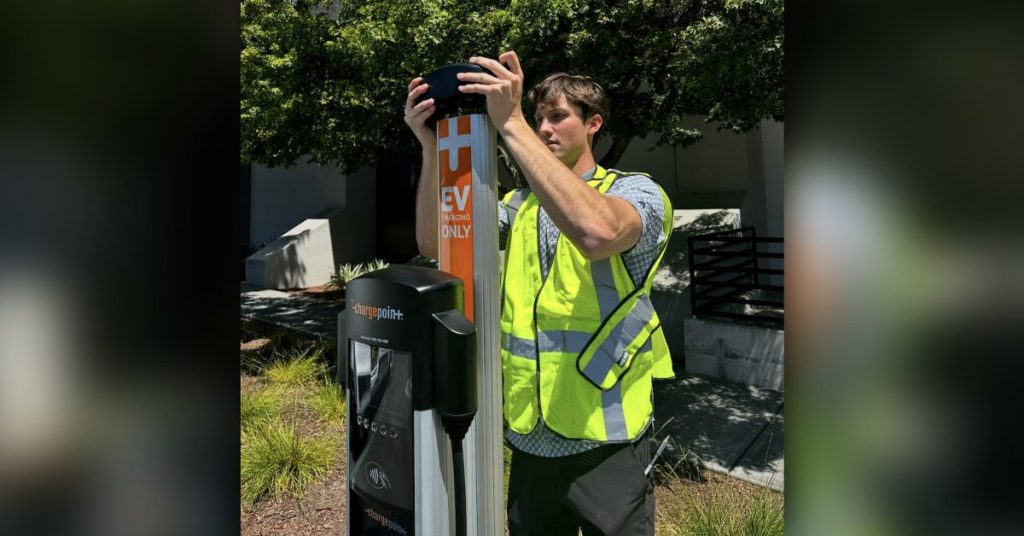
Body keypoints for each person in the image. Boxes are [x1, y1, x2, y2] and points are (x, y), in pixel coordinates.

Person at [404, 51, 674, 536]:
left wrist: (510, 123)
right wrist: (431, 149)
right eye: (538, 118)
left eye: (558, 117)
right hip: (530, 440)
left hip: (606, 444)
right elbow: (433, 243)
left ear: (593, 124)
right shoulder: (520, 207)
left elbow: (596, 232)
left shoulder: (638, 193)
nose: (546, 128)